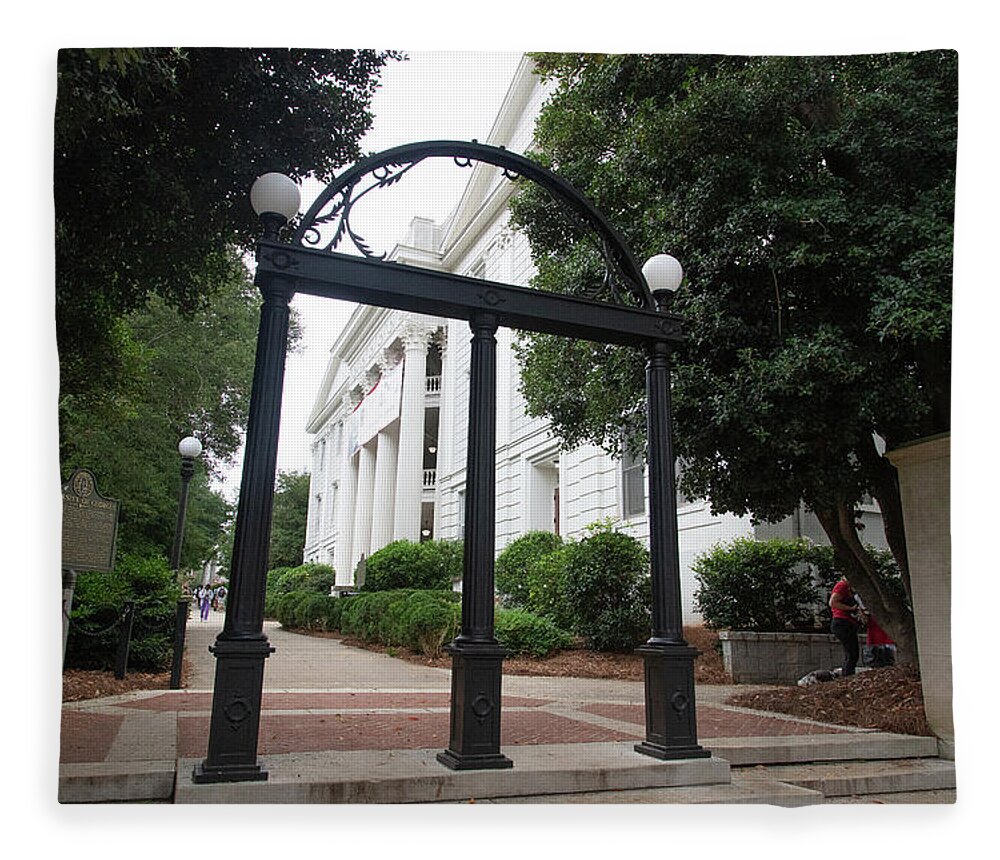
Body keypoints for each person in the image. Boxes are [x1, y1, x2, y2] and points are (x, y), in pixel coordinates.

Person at [829, 576, 863, 676]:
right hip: (842, 622)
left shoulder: (849, 588)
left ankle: (848, 675)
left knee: (853, 653)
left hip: (848, 623)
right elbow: (833, 602)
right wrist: (851, 608)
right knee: (851, 654)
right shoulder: (842, 586)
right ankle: (847, 676)